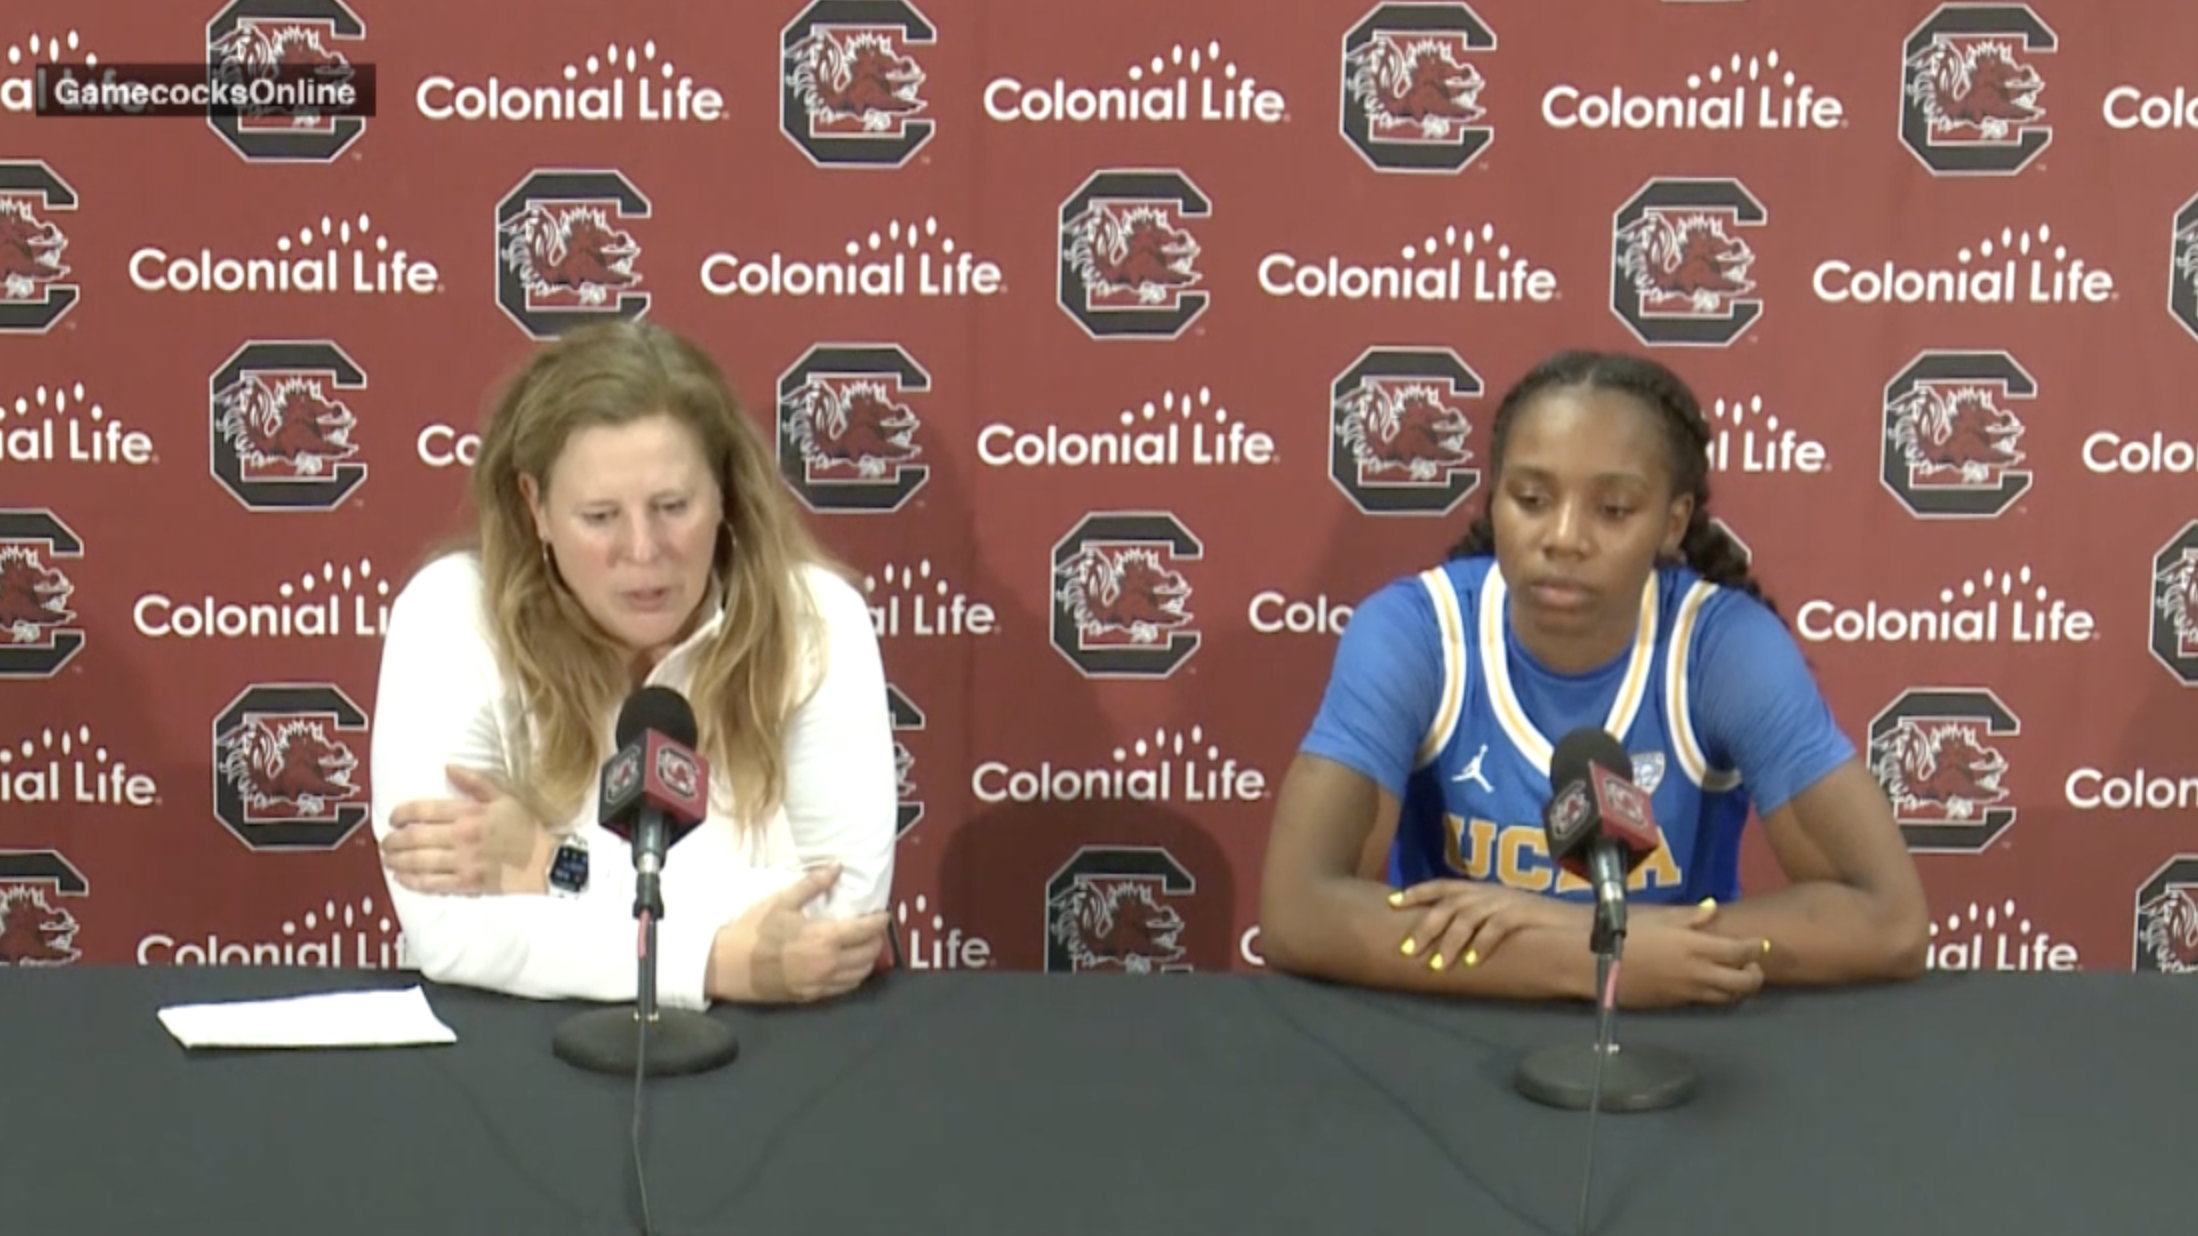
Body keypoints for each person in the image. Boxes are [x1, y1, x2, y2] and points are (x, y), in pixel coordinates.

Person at [1258, 349, 1929, 1008]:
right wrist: (1598, 954)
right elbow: (1297, 911)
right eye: (1531, 499)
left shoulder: (1722, 648)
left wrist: (1580, 932)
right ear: (1494, 501)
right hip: (1461, 1014)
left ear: (1671, 523)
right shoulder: (1418, 634)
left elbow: (1888, 920)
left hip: (1669, 1030)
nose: (1564, 537)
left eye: (1613, 509)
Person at [369, 319, 895, 1009]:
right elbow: (450, 929)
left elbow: (838, 922)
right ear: (536, 507)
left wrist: (550, 865)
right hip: (514, 1041)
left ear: (724, 493)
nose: (643, 551)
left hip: (771, 1046)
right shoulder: (451, 614)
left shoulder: (816, 622)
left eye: (672, 507)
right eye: (599, 516)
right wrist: (717, 963)